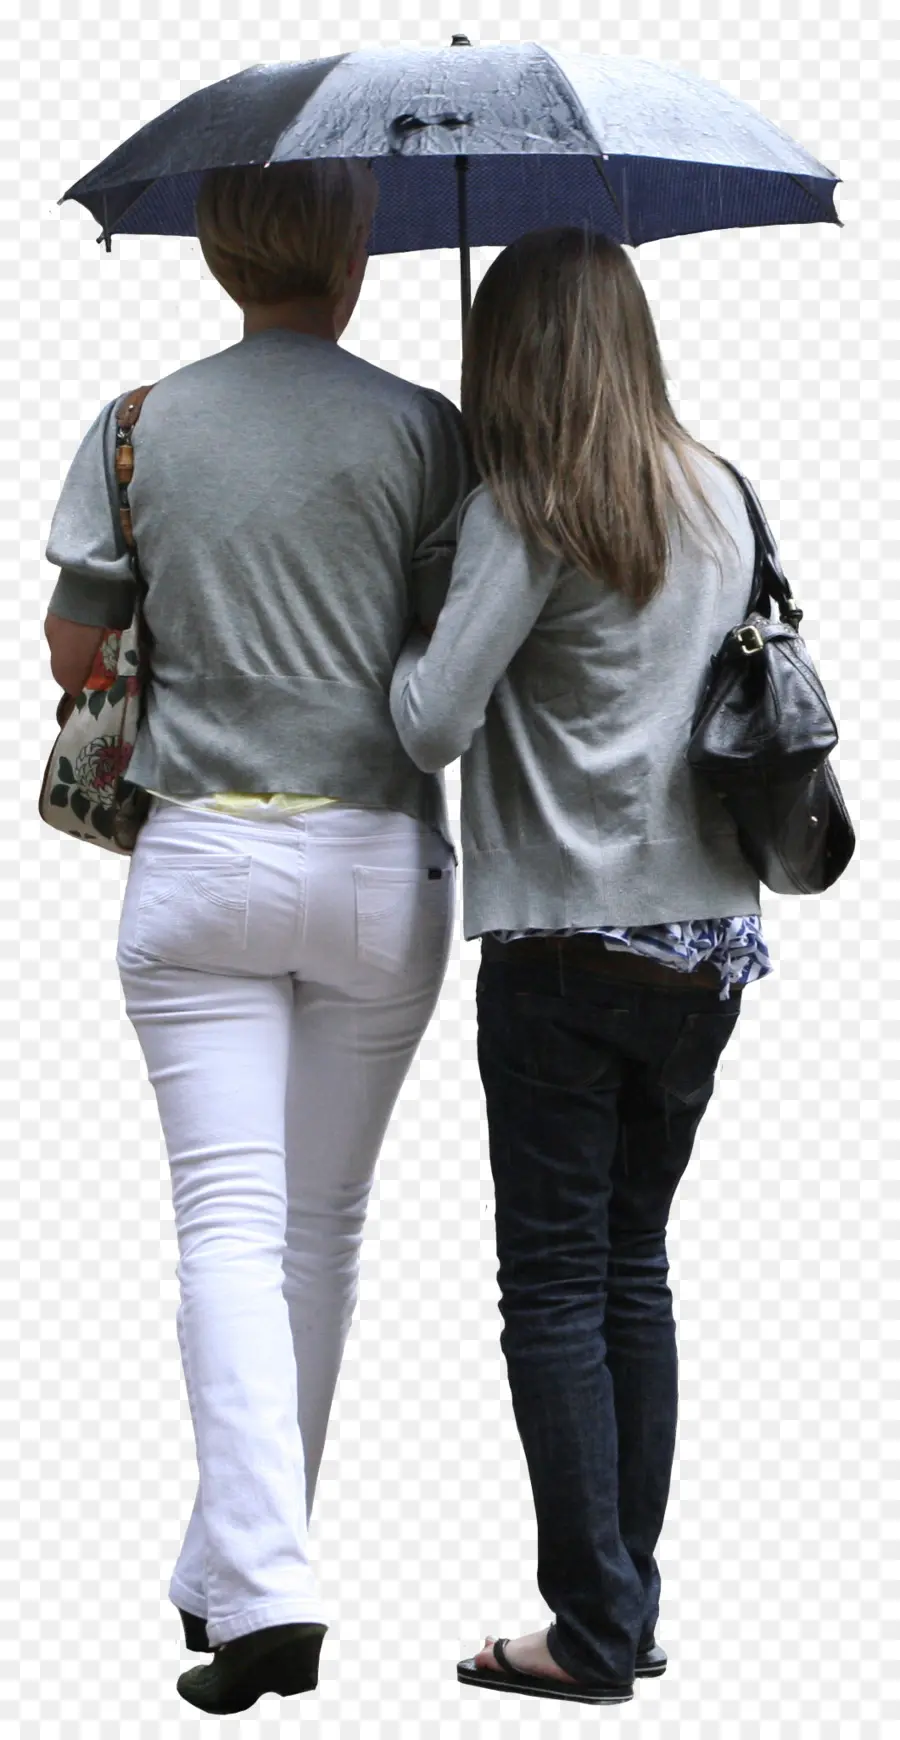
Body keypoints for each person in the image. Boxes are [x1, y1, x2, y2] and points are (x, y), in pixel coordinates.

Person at [42, 158, 472, 1715]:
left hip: (198, 855)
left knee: (224, 1229)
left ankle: (251, 1579)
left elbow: (76, 647)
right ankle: (250, 1569)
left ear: (219, 254)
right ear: (354, 254)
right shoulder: (431, 422)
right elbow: (452, 653)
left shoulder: (138, 419)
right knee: (323, 1230)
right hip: (376, 858)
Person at [389, 226, 772, 1708]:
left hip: (561, 944)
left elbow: (430, 723)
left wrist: (424, 606)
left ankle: (593, 1632)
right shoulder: (726, 492)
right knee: (634, 1272)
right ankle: (631, 1604)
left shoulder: (526, 507)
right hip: (706, 946)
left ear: (512, 356)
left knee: (552, 1283)